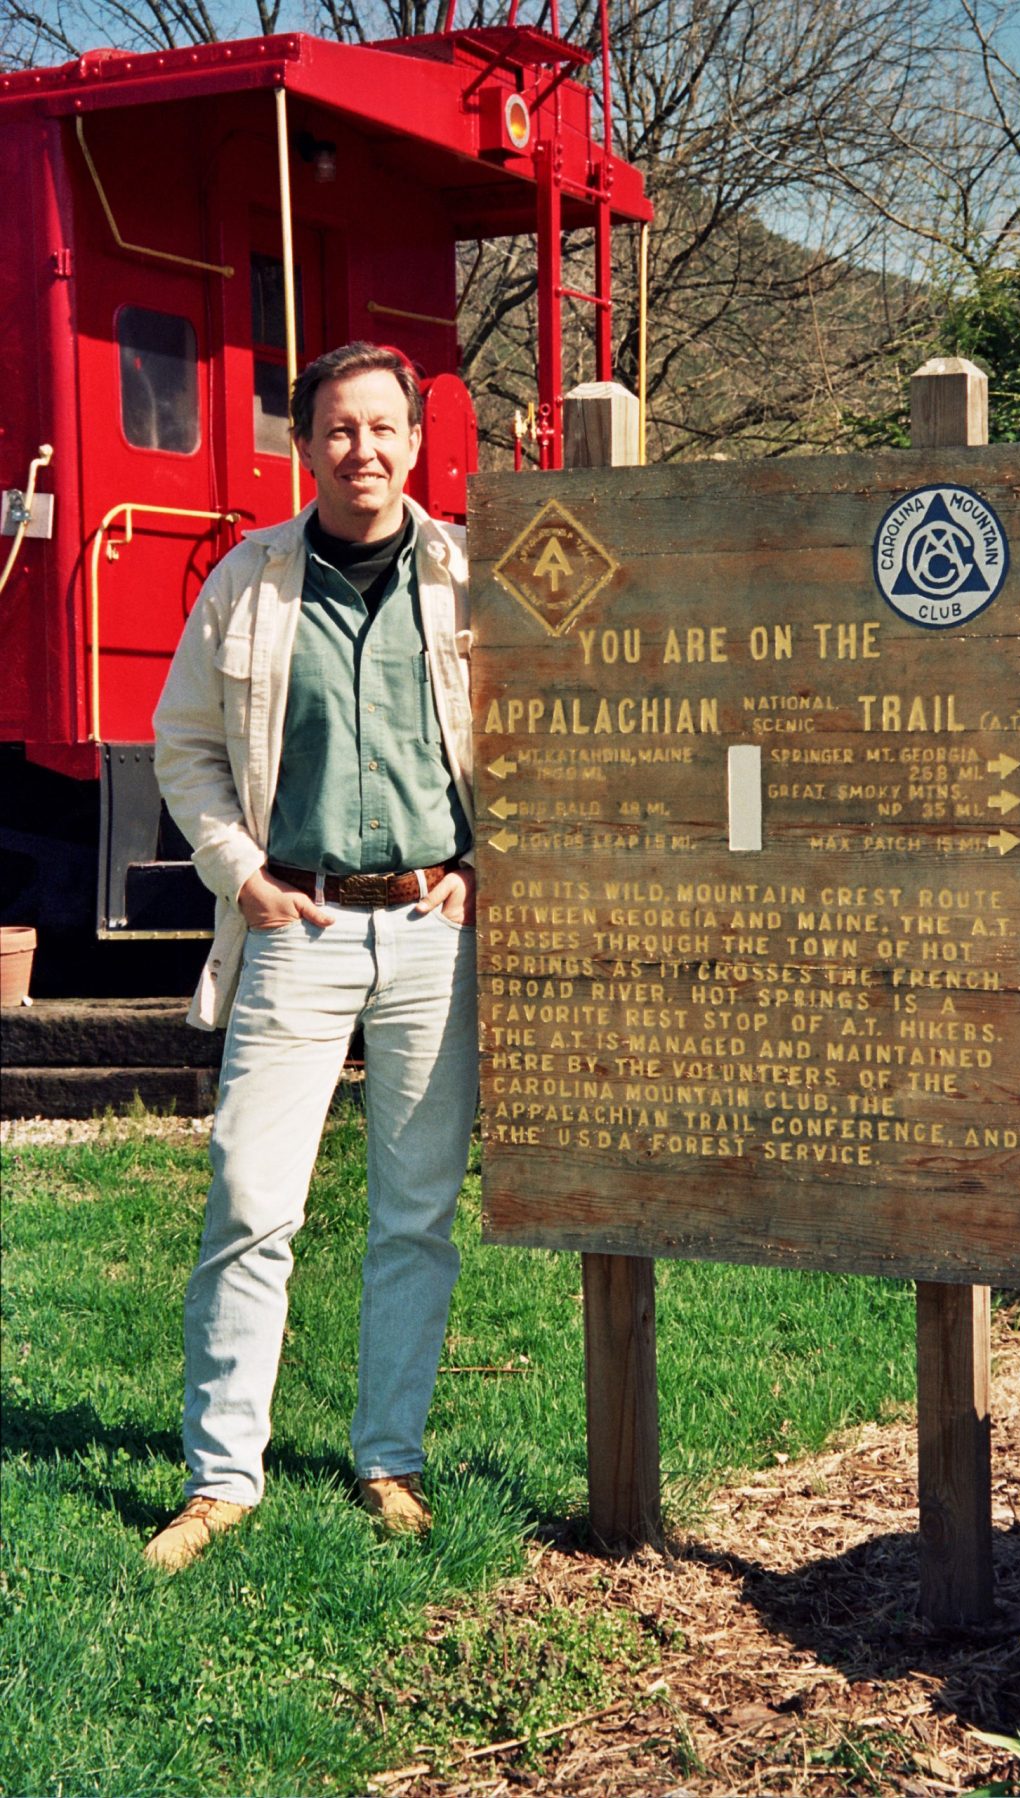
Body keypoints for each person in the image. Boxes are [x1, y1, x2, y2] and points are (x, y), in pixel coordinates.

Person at [145, 342, 477, 1571]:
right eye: (339, 430)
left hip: (434, 935)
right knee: (248, 1203)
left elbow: (535, 732)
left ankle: (390, 1458)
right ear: (306, 447)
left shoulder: (465, 576)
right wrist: (249, 878)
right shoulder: (249, 582)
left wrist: (478, 872)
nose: (365, 451)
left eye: (385, 427)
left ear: (416, 442)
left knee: (416, 1215)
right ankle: (223, 1478)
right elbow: (184, 747)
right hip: (303, 927)